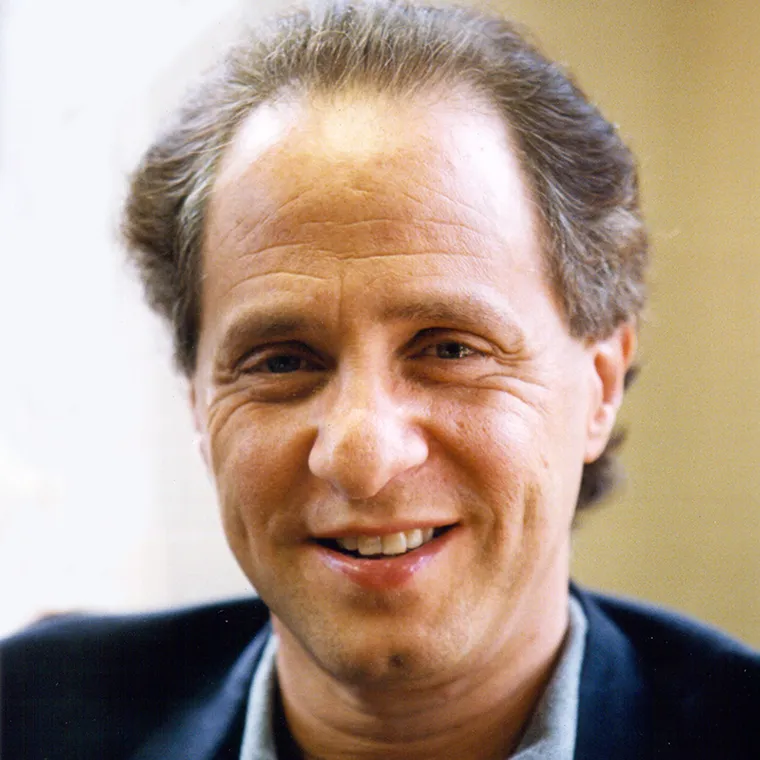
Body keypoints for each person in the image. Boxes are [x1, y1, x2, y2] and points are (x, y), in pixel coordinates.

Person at [2, 1, 759, 758]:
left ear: (599, 387)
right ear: (199, 407)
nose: (362, 456)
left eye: (450, 349)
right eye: (282, 361)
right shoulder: (32, 716)